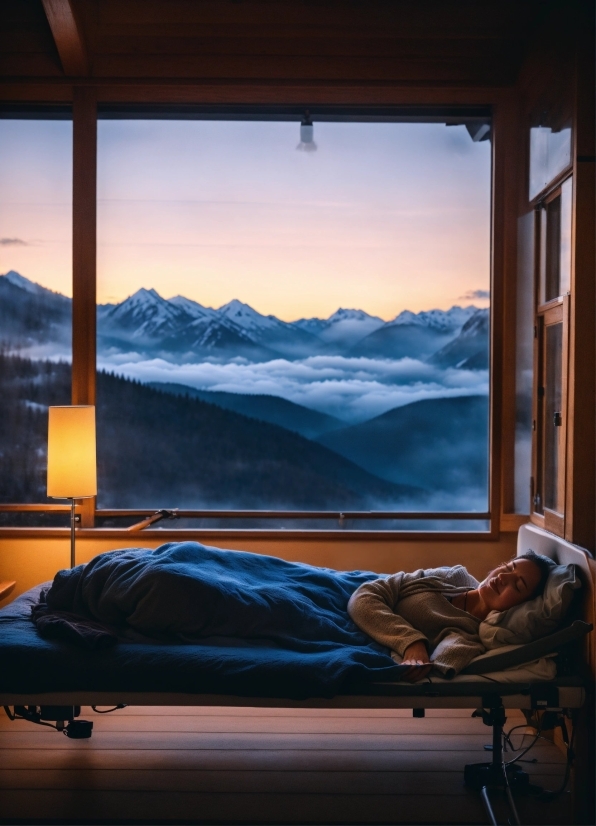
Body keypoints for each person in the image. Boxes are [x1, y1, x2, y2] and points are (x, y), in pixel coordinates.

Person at [348, 551, 554, 683]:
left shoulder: (470, 634)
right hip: (350, 592)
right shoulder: (454, 576)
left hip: (356, 629)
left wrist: (415, 648)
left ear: (521, 607)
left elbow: (441, 663)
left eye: (518, 586)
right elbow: (363, 598)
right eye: (507, 568)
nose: (503, 578)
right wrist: (410, 642)